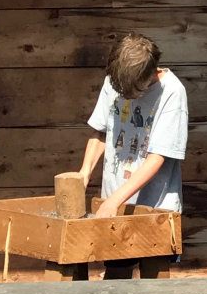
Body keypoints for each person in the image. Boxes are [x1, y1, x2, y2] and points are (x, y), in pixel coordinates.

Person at [75, 32, 189, 278]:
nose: (124, 94)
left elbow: (157, 157)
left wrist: (114, 201)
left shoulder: (172, 92)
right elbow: (101, 132)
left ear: (149, 74)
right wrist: (84, 174)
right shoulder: (115, 79)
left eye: (131, 90)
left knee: (152, 285)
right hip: (114, 202)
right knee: (115, 279)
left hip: (155, 208)